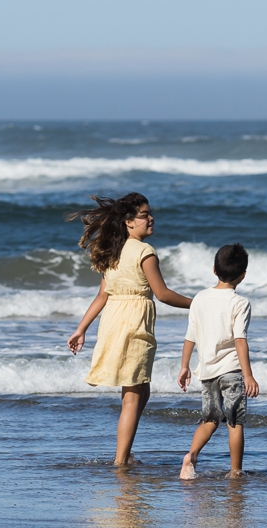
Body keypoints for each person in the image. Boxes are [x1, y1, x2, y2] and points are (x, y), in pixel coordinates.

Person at [67, 193, 192, 466]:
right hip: (134, 323)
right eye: (145, 214)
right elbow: (163, 294)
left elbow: (102, 295)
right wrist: (199, 304)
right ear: (128, 222)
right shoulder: (145, 252)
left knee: (140, 390)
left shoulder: (114, 249)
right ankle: (120, 461)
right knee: (132, 397)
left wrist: (81, 329)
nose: (151, 218)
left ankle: (125, 453)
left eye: (150, 213)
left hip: (113, 321)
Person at [177, 243, 259, 479]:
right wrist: (248, 375)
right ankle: (235, 471)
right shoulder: (240, 303)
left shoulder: (199, 299)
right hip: (232, 371)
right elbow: (240, 340)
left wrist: (185, 366)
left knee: (210, 420)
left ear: (214, 269)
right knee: (235, 422)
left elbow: (190, 336)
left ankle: (191, 456)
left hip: (208, 371)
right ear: (243, 275)